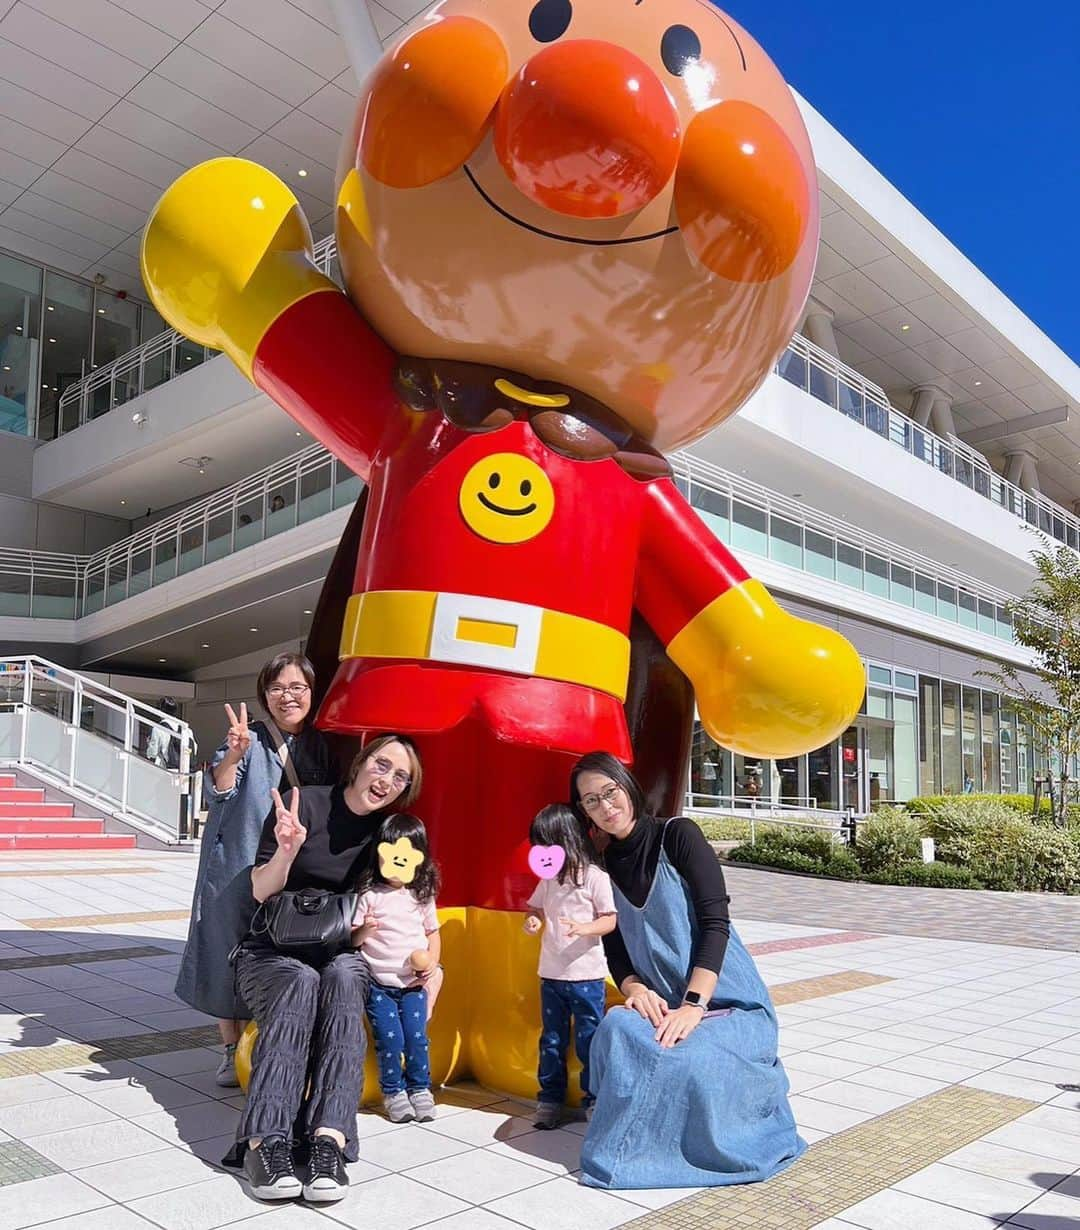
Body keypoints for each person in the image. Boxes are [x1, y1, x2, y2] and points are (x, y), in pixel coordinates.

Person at [570, 751, 804, 1190]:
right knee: (616, 1030)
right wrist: (635, 988)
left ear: (627, 786)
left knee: (692, 1058)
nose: (605, 807)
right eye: (590, 801)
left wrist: (694, 1004)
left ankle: (679, 1151)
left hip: (729, 1002)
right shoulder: (601, 868)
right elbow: (615, 949)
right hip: (665, 1004)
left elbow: (716, 923)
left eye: (610, 792)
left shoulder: (678, 835)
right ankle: (632, 1147)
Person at [232, 734, 422, 1203]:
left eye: (401, 777)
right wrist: (287, 850)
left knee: (341, 976)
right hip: (270, 954)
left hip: (339, 952)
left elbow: (408, 899)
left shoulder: (385, 837)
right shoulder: (305, 805)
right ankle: (266, 1143)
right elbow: (258, 891)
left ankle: (328, 1141)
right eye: (383, 765)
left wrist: (424, 960)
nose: (388, 781)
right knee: (301, 980)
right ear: (360, 763)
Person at [174, 653, 333, 1089]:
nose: (288, 696)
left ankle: (273, 1041)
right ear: (265, 695)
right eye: (278, 688)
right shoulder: (249, 738)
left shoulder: (323, 743)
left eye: (297, 687)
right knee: (228, 949)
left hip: (294, 870)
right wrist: (232, 756)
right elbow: (219, 788)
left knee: (284, 952)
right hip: (237, 863)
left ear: (312, 693)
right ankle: (231, 1049)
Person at [523, 803, 616, 1130]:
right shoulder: (549, 879)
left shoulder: (594, 877)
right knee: (551, 1040)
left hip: (587, 977)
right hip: (551, 974)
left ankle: (594, 1099)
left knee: (590, 1039)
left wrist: (585, 929)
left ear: (567, 840)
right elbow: (533, 908)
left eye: (546, 844)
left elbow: (609, 920)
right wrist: (533, 921)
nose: (542, 851)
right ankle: (549, 1098)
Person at [353, 812, 441, 1124]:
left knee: (416, 1038)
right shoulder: (370, 895)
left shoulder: (421, 895)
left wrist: (431, 961)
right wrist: (365, 930)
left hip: (413, 985)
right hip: (380, 986)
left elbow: (433, 933)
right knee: (390, 1040)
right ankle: (393, 1091)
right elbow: (354, 939)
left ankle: (420, 1089)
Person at [145, 697, 184, 770]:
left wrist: (149, 743)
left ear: (160, 710)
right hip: (185, 769)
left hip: (166, 769)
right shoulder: (187, 730)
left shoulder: (158, 729)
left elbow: (152, 753)